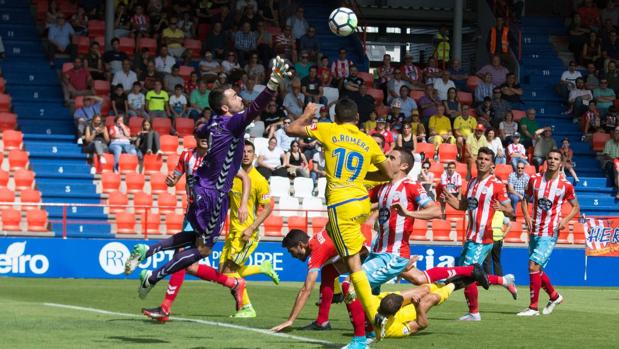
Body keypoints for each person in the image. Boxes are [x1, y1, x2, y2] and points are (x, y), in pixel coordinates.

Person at [123, 56, 290, 299]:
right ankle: (152, 277)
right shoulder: (232, 124)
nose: (239, 98)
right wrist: (273, 82)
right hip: (214, 195)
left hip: (203, 189)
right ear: (225, 107)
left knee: (193, 237)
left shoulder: (216, 123)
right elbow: (255, 109)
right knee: (202, 249)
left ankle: (146, 252)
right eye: (234, 97)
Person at [285, 98, 393, 340]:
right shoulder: (367, 141)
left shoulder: (329, 129)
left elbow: (291, 129)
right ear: (357, 119)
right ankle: (369, 315)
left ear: (336, 118)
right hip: (361, 204)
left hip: (340, 204)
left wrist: (307, 113)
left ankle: (372, 320)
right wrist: (364, 176)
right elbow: (388, 173)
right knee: (346, 268)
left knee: (354, 270)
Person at [143, 140, 279, 321]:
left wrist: (252, 227)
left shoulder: (259, 180)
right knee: (222, 270)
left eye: (249, 152)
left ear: (255, 156)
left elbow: (269, 206)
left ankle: (246, 306)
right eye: (243, 151)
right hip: (228, 229)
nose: (246, 155)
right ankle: (259, 270)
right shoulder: (230, 174)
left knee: (224, 269)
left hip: (246, 233)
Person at [442, 147, 516, 321]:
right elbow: (463, 206)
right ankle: (504, 281)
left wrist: (503, 208)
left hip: (484, 238)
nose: (482, 161)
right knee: (470, 274)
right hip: (471, 236)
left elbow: (511, 210)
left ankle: (474, 313)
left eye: (486, 159)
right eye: (480, 158)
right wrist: (448, 197)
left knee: (467, 273)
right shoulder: (472, 182)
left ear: (492, 165)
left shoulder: (496, 184)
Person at [518, 150, 580, 316]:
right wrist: (526, 217)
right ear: (546, 160)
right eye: (550, 158)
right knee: (536, 269)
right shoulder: (535, 180)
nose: (552, 161)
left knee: (533, 265)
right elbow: (524, 198)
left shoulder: (565, 185)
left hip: (550, 232)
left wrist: (565, 221)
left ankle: (533, 308)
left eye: (556, 159)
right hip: (535, 230)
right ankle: (554, 296)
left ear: (561, 163)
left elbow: (576, 207)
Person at [483, 209, 510, 276]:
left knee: (487, 261)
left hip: (488, 239)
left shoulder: (487, 212)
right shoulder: (501, 214)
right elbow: (509, 225)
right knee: (496, 260)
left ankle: (488, 279)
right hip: (498, 240)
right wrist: (504, 235)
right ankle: (499, 279)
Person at [602, 126, 619, 198]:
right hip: (611, 162)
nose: (617, 133)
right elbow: (605, 156)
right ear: (614, 133)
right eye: (616, 132)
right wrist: (615, 160)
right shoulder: (609, 142)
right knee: (615, 167)